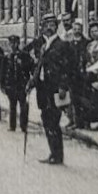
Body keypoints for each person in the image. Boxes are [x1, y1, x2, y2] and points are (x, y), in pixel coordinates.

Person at [30, 15, 72, 164]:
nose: (49, 27)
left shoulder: (62, 45)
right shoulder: (43, 45)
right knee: (46, 120)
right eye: (46, 24)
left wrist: (63, 86)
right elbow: (39, 66)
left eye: (52, 24)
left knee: (53, 121)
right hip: (43, 88)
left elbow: (66, 68)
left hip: (54, 89)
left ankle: (57, 155)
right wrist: (32, 83)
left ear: (56, 26)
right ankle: (53, 153)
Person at [1, 35, 35, 133]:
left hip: (22, 85)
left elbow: (31, 68)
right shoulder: (7, 57)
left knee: (23, 105)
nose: (13, 45)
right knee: (12, 106)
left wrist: (30, 82)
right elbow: (2, 72)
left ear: (18, 43)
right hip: (11, 85)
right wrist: (2, 85)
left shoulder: (24, 55)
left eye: (15, 43)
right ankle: (12, 126)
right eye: (11, 43)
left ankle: (23, 126)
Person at [80, 20, 98, 131]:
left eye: (96, 31)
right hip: (91, 73)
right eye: (91, 31)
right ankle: (89, 120)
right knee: (89, 97)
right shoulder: (90, 45)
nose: (93, 33)